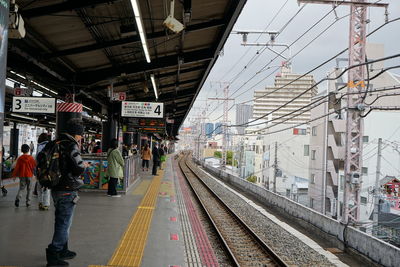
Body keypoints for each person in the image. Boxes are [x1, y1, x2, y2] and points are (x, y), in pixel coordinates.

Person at [46, 118, 86, 266]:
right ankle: (54, 254)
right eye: (81, 134)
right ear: (76, 133)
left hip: (56, 187)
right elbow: (78, 167)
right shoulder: (71, 145)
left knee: (61, 221)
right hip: (67, 189)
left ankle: (63, 249)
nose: (81, 137)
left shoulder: (56, 142)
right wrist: (84, 165)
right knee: (64, 223)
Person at [36, 133, 51, 211]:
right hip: (48, 169)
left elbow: (37, 159)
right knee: (47, 187)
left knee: (39, 187)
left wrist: (36, 170)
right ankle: (46, 204)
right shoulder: (50, 146)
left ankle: (40, 203)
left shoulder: (39, 146)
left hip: (40, 169)